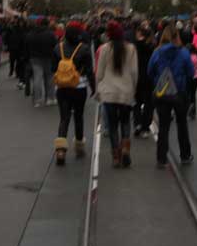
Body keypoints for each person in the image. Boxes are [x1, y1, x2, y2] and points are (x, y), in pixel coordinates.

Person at [148, 26, 195, 168]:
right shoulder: (183, 52)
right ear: (177, 37)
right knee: (182, 124)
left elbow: (149, 71)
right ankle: (185, 155)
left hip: (162, 93)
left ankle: (161, 158)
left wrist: (158, 79)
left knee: (163, 126)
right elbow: (191, 73)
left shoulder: (157, 53)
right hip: (179, 93)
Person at [96, 21, 138, 168]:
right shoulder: (131, 49)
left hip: (109, 92)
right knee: (126, 122)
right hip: (125, 91)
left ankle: (115, 156)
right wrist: (134, 87)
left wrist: (97, 88)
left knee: (113, 126)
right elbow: (134, 72)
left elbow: (99, 72)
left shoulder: (104, 49)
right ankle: (126, 148)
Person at [53, 21, 95, 166]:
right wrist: (94, 87)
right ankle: (79, 147)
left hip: (62, 88)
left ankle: (60, 150)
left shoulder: (58, 48)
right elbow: (89, 70)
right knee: (78, 116)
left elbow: (54, 68)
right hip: (79, 86)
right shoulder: (84, 48)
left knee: (64, 118)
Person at [26, 19, 58, 107]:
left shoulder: (31, 34)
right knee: (50, 78)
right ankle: (50, 98)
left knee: (37, 78)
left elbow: (27, 45)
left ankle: (37, 100)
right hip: (48, 58)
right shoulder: (51, 34)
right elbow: (56, 46)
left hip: (35, 58)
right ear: (47, 24)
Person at [133, 23, 156, 137]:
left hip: (136, 77)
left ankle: (137, 123)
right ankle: (145, 127)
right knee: (149, 103)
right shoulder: (152, 47)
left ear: (140, 34)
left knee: (136, 102)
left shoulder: (133, 46)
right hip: (149, 77)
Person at [188, 43, 197, 120]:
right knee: (193, 94)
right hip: (196, 77)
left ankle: (188, 109)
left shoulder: (188, 58)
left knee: (188, 94)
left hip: (189, 77)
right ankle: (193, 111)